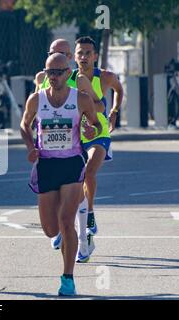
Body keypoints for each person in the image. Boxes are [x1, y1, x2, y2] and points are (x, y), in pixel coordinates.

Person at [20, 53, 102, 296]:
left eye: (58, 72)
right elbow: (25, 125)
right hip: (46, 165)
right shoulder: (36, 100)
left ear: (68, 73)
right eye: (49, 72)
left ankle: (68, 278)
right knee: (50, 229)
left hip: (71, 165)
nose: (53, 77)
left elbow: (97, 124)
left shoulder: (82, 99)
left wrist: (90, 128)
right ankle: (66, 237)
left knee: (67, 221)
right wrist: (30, 147)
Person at [34, 39, 105, 263]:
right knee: (56, 212)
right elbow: (36, 109)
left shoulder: (79, 79)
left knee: (81, 184)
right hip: (50, 148)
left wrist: (85, 116)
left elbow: (99, 106)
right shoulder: (41, 78)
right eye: (54, 53)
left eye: (63, 54)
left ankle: (83, 238)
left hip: (78, 139)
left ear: (69, 60)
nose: (58, 57)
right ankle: (67, 230)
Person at [72, 36, 124, 248]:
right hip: (75, 136)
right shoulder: (69, 78)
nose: (83, 57)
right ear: (74, 57)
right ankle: (72, 223)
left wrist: (114, 111)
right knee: (72, 181)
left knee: (89, 171)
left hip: (98, 133)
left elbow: (119, 90)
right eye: (80, 53)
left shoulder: (105, 77)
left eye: (87, 53)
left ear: (94, 56)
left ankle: (90, 211)